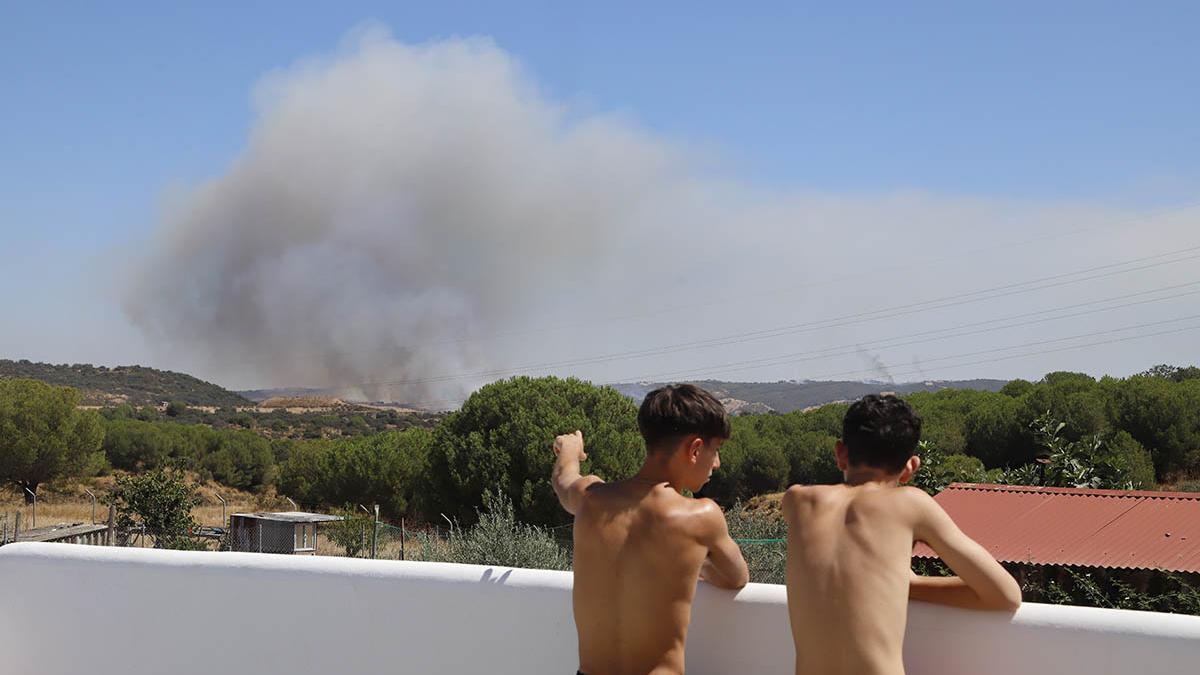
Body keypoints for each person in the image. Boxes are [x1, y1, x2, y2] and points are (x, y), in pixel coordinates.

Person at [782, 394, 1021, 675]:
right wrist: (909, 585)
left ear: (840, 453)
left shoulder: (796, 501)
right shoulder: (911, 504)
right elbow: (1005, 594)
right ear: (911, 467)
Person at [551, 383, 750, 675]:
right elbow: (736, 577)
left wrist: (569, 451)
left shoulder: (590, 498)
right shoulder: (701, 516)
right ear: (695, 449)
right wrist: (690, 563)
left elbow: (563, 479)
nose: (717, 463)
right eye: (716, 450)